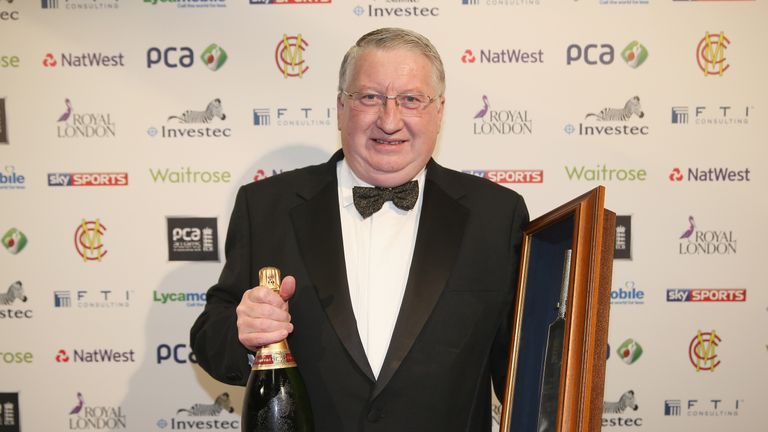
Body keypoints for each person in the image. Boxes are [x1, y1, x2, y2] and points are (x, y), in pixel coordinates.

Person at [190, 27, 529, 431]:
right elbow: (210, 338)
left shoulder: (497, 216)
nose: (390, 120)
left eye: (411, 100)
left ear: (439, 112)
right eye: (370, 97)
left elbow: (526, 372)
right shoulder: (265, 207)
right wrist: (244, 332)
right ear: (341, 107)